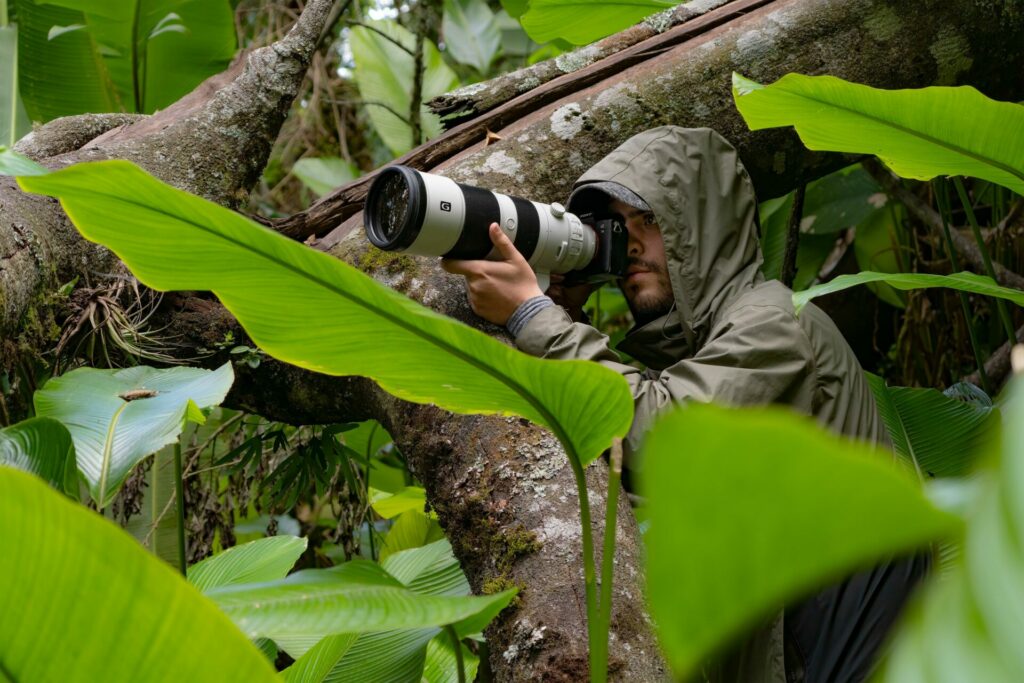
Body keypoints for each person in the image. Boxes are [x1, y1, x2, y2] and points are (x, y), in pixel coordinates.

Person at [441, 126, 927, 682]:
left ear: (702, 228)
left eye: (650, 220)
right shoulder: (716, 347)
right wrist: (563, 309)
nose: (632, 244)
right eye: (619, 227)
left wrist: (533, 317)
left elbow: (660, 440)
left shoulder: (779, 323)